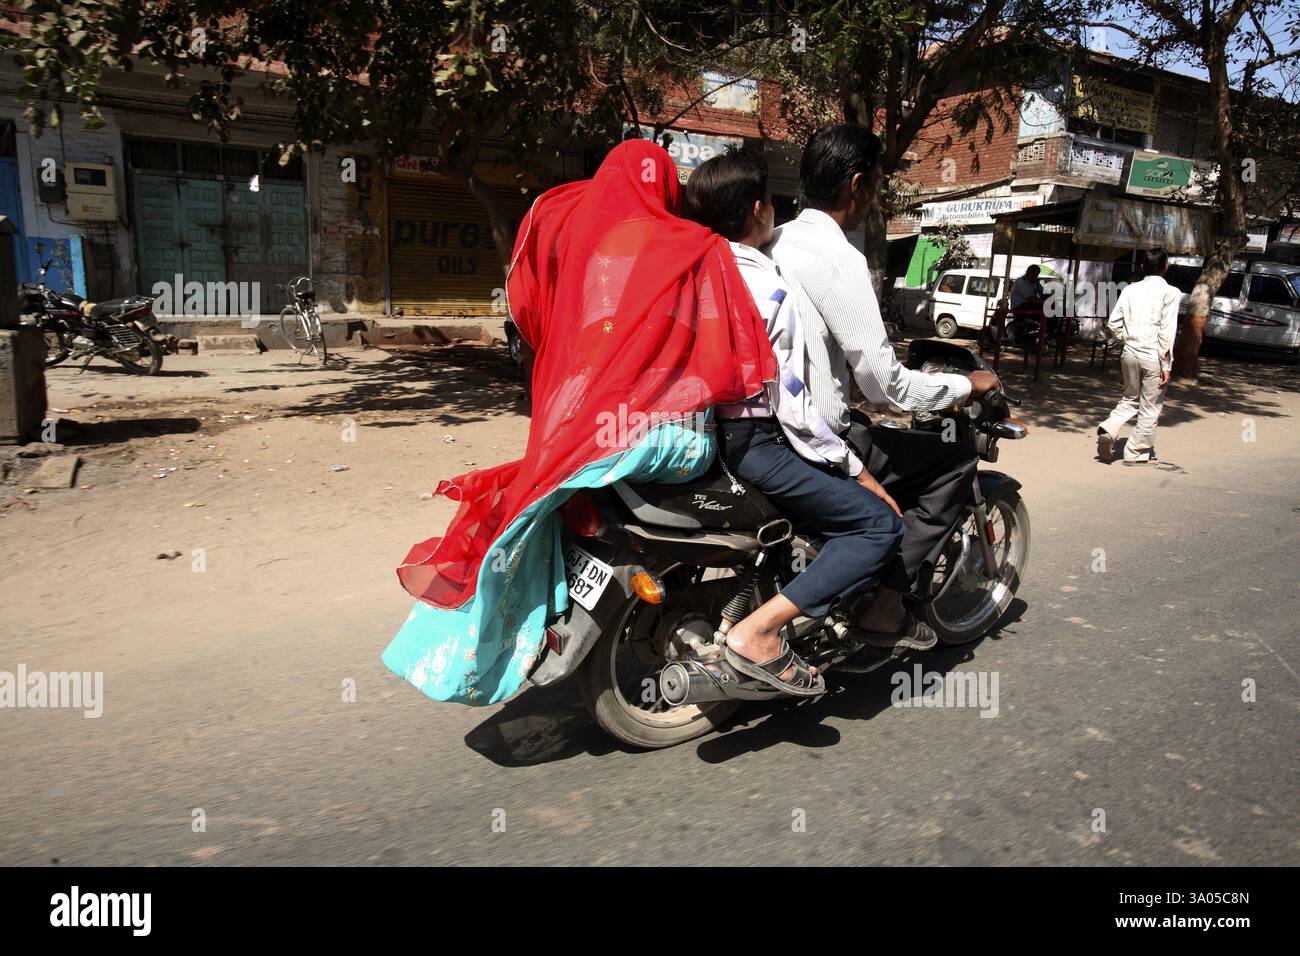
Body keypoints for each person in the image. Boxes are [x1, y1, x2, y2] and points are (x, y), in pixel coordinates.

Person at [383, 139, 778, 706]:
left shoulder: (588, 254)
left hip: (575, 416)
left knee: (530, 504)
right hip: (660, 437)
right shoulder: (689, 247)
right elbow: (717, 360)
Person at [683, 148, 909, 697]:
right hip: (755, 440)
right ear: (760, 209)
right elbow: (791, 402)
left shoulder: (693, 271)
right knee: (878, 524)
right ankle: (759, 632)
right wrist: (857, 471)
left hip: (700, 436)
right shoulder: (766, 285)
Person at [768, 124, 1001, 647]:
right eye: (874, 185)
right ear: (857, 186)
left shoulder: (774, 240)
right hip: (818, 435)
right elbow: (884, 386)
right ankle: (885, 606)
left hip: (765, 428)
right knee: (953, 461)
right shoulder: (839, 259)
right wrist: (966, 384)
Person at [1096, 246, 1179, 464]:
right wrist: (1167, 365)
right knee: (1150, 407)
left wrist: (1128, 338)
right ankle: (1136, 452)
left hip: (1130, 353)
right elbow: (1167, 332)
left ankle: (1109, 428)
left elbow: (1113, 323)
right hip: (1153, 357)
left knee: (1130, 398)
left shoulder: (1131, 290)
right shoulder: (1171, 293)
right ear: (1166, 267)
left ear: (1142, 266)